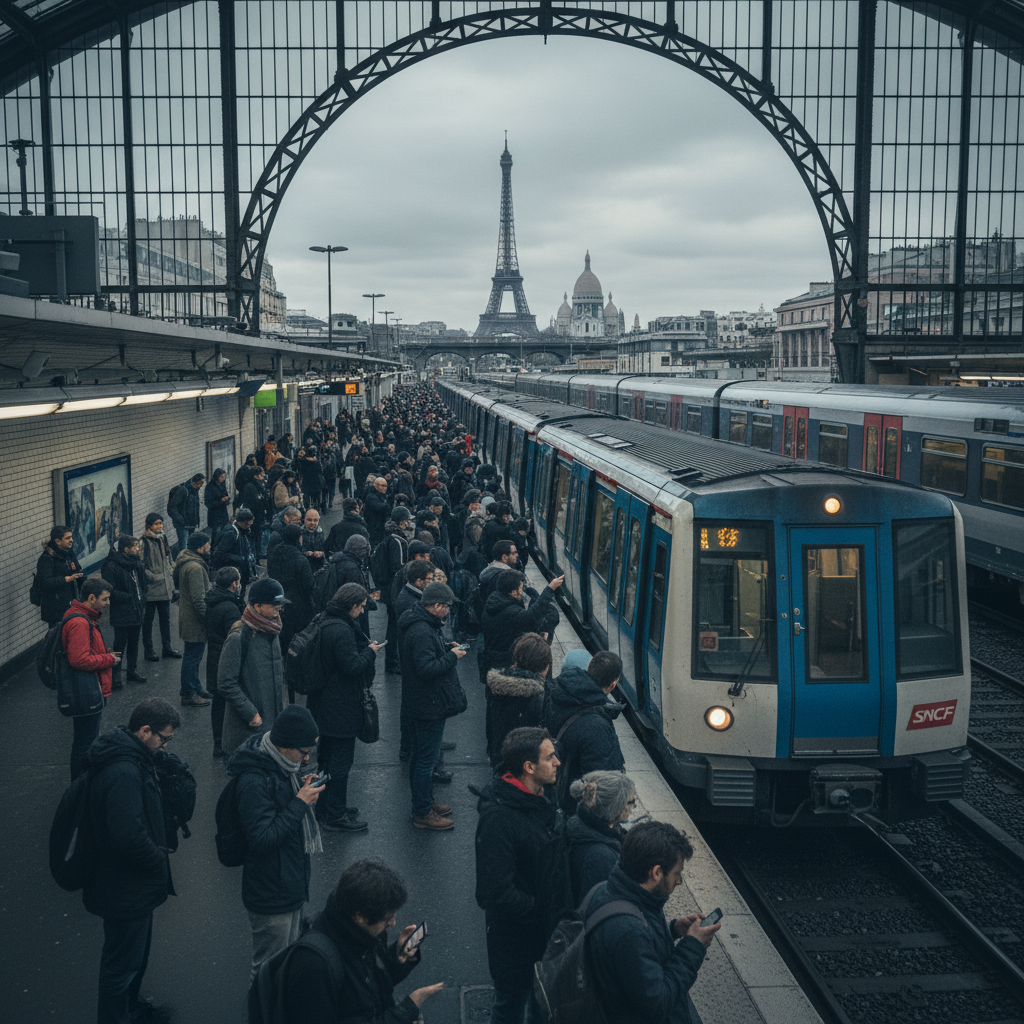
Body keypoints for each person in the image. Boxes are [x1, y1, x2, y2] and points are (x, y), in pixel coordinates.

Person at [80, 697, 180, 1024]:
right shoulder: (124, 771)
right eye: (163, 739)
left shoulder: (130, 756)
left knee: (130, 959)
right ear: (145, 730)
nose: (164, 746)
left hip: (128, 885)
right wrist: (158, 859)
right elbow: (127, 836)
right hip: (124, 888)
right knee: (120, 965)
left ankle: (129, 1008)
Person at [277, 859, 443, 1023]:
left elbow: (368, 987)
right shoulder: (314, 968)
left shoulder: (357, 932)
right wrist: (407, 1010)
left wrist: (397, 958)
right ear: (360, 916)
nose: (393, 923)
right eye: (387, 918)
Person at [586, 821, 720, 1024]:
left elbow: (636, 954)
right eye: (677, 873)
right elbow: (658, 1003)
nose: (679, 881)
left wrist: (673, 930)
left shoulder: (611, 890)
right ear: (656, 872)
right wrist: (693, 946)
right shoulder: (628, 930)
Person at [227, 704, 325, 979]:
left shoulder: (282, 766)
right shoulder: (254, 781)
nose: (306, 759)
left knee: (284, 966)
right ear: (284, 746)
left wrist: (300, 788)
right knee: (267, 973)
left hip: (289, 883)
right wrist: (299, 803)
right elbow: (262, 838)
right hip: (271, 894)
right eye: (303, 752)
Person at [474, 727, 563, 1024]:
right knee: (511, 1005)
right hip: (517, 941)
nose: (558, 762)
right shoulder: (499, 821)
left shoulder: (535, 797)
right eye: (550, 757)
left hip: (537, 935)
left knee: (540, 998)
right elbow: (493, 892)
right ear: (529, 767)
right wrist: (542, 910)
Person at [309, 583, 385, 833]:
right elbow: (351, 667)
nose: (363, 611)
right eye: (361, 607)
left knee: (327, 759)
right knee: (340, 763)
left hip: (323, 703)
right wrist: (370, 652)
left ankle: (326, 805)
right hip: (339, 706)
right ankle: (336, 814)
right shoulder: (340, 630)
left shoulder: (324, 619)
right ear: (352, 605)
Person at [397, 581, 467, 831]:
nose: (448, 611)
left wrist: (445, 648)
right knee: (426, 760)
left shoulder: (415, 622)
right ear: (436, 606)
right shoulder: (423, 631)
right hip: (429, 704)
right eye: (446, 606)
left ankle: (425, 801)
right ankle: (422, 812)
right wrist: (452, 656)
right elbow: (427, 669)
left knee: (419, 757)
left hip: (417, 701)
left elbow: (422, 657)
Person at [544, 649, 625, 811]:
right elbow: (599, 779)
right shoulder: (597, 726)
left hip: (554, 782)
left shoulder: (558, 689)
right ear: (613, 683)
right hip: (572, 801)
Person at [218, 577, 289, 755]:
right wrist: (251, 714)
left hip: (272, 726)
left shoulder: (272, 630)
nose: (279, 609)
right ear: (257, 606)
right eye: (274, 605)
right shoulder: (238, 637)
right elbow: (226, 682)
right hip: (248, 730)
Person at [63, 577, 119, 780]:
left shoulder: (81, 616)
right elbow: (78, 659)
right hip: (87, 691)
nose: (108, 603)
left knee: (83, 740)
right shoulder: (79, 622)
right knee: (85, 742)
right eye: (105, 599)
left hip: (86, 689)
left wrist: (103, 652)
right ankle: (81, 787)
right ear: (91, 597)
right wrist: (108, 659)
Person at [566, 771, 636, 906]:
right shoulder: (601, 857)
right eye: (631, 802)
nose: (634, 807)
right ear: (616, 807)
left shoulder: (578, 822)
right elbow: (598, 905)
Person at [486, 632, 551, 768]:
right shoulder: (538, 696)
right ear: (545, 667)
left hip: (499, 755)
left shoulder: (498, 683)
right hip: (522, 767)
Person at [266, 524, 315, 686]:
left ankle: (284, 670)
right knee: (299, 639)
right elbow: (309, 585)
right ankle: (297, 672)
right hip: (299, 605)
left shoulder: (274, 554)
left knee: (283, 637)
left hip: (279, 602)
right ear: (298, 538)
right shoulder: (300, 559)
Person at [205, 566, 245, 757]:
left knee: (218, 702)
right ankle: (226, 742)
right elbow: (235, 637)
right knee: (228, 701)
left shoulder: (214, 600)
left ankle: (217, 742)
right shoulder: (230, 607)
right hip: (224, 658)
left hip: (214, 656)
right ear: (234, 584)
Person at [101, 535, 148, 688]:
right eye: (135, 546)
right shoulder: (111, 566)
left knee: (134, 642)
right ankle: (115, 676)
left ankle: (132, 671)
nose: (137, 549)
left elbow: (142, 583)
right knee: (120, 644)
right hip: (122, 611)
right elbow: (110, 591)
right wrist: (131, 597)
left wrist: (142, 598)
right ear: (126, 549)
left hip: (137, 609)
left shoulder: (136, 563)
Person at [172, 532, 212, 707]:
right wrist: (208, 619)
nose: (210, 547)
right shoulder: (195, 568)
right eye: (207, 545)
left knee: (193, 656)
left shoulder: (188, 563)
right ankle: (188, 693)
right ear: (200, 547)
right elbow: (199, 599)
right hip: (194, 621)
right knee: (192, 658)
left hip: (190, 619)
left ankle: (196, 687)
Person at [140, 514, 179, 662]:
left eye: (161, 523)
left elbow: (169, 557)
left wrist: (170, 570)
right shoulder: (144, 542)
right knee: (148, 621)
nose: (159, 526)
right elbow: (141, 565)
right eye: (156, 524)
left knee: (165, 619)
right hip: (151, 588)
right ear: (149, 526)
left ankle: (167, 647)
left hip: (165, 586)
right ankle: (149, 650)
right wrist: (155, 577)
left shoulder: (163, 538)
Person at [378, 506, 411, 673]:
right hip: (395, 590)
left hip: (390, 589)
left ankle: (392, 660)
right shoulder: (397, 541)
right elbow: (398, 567)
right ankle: (392, 661)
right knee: (394, 626)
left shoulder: (390, 537)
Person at [35, 524, 83, 627]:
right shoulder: (47, 559)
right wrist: (65, 579)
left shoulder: (69, 552)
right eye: (67, 538)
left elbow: (77, 568)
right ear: (58, 541)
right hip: (56, 609)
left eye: (71, 537)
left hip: (72, 603)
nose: (71, 540)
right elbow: (45, 582)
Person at [211, 507, 257, 590]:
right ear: (240, 522)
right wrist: (241, 559)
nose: (249, 527)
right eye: (247, 525)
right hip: (233, 573)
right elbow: (219, 554)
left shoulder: (242, 531)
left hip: (240, 572)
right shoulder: (231, 534)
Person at [167, 474, 204, 555]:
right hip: (183, 524)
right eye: (199, 484)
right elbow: (172, 506)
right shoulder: (183, 490)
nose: (200, 486)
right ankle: (182, 562)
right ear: (195, 483)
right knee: (184, 546)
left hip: (191, 523)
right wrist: (180, 519)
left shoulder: (194, 490)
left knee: (186, 544)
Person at [364, 477, 391, 547]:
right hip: (374, 527)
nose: (384, 488)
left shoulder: (382, 496)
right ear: (376, 486)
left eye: (385, 486)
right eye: (382, 486)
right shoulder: (371, 496)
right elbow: (379, 507)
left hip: (379, 526)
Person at [204, 469, 231, 535]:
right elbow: (208, 503)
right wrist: (221, 501)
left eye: (224, 477)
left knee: (224, 530)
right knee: (215, 532)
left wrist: (227, 499)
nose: (223, 479)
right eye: (221, 477)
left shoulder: (222, 484)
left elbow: (226, 495)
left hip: (223, 512)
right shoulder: (210, 487)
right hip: (214, 513)